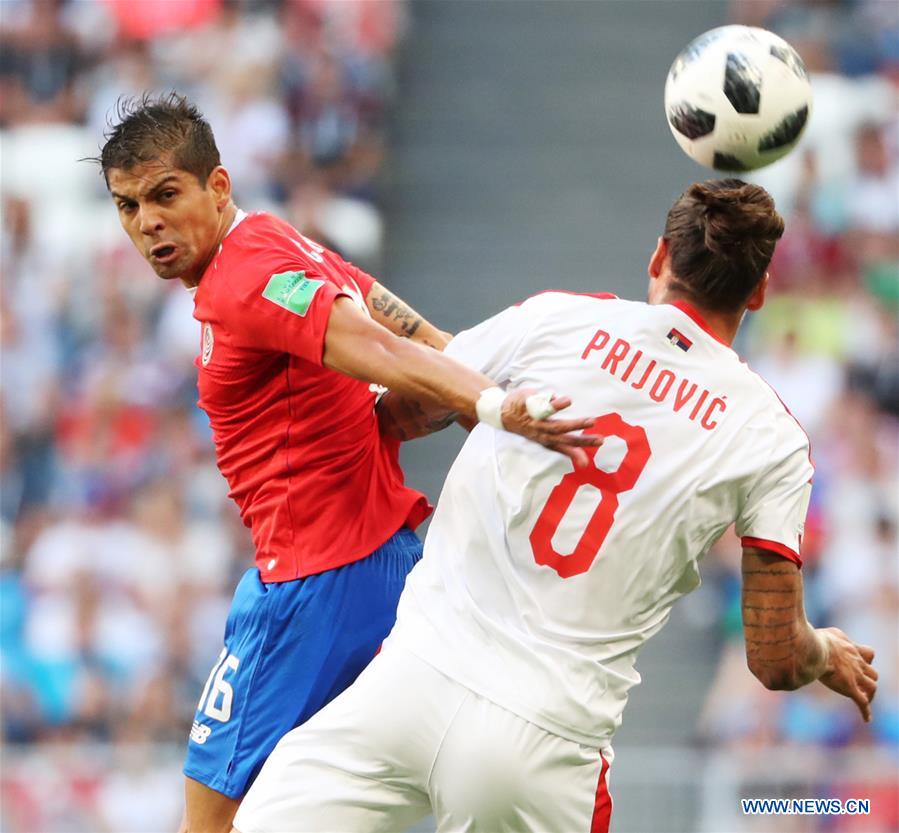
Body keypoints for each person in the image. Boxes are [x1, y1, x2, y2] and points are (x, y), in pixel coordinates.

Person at [233, 179, 878, 833]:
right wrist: (823, 652)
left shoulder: (558, 319)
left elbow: (400, 414)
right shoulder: (770, 434)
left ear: (658, 256)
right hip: (541, 740)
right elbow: (773, 655)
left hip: (408, 683)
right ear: (759, 292)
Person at [95, 92, 599, 833]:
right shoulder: (272, 242)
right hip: (389, 570)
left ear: (217, 186)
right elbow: (400, 324)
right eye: (128, 205)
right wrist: (475, 380)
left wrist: (491, 404)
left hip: (310, 592)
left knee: (210, 823)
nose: (148, 222)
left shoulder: (242, 278)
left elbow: (374, 344)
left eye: (165, 195)